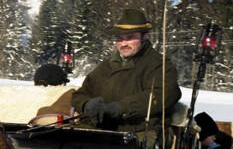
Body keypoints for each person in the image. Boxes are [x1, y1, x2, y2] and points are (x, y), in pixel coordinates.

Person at [71, 8, 181, 138]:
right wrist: (86, 105)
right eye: (119, 39)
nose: (124, 44)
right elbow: (80, 94)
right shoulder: (106, 65)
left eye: (130, 38)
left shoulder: (159, 64)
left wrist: (119, 108)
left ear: (144, 37)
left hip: (139, 132)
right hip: (101, 129)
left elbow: (164, 95)